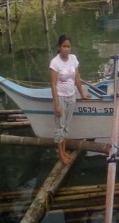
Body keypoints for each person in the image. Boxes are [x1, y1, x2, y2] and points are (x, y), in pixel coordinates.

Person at [49, 34, 90, 164]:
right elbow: (53, 85)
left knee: (66, 126)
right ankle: (60, 154)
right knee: (59, 126)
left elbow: (77, 78)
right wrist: (57, 105)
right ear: (59, 47)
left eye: (68, 46)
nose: (67, 49)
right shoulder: (55, 63)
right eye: (64, 46)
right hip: (60, 97)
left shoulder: (73, 59)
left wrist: (82, 94)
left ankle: (64, 150)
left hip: (71, 97)